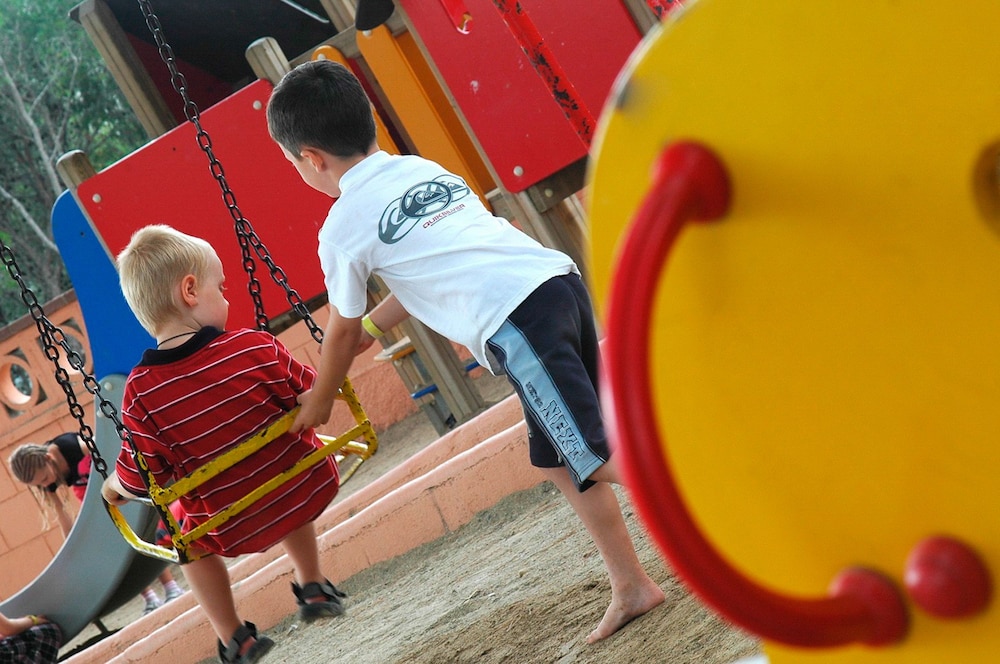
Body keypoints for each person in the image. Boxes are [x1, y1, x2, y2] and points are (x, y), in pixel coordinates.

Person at [265, 59, 666, 644]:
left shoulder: (341, 226)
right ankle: (631, 585)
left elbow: (342, 331)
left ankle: (709, 496)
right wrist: (368, 331)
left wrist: (321, 398)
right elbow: (425, 271)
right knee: (562, 459)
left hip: (517, 320)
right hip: (556, 285)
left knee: (592, 451)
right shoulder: (418, 169)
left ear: (310, 158)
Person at [99, 225, 346, 664]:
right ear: (190, 290)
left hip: (229, 528)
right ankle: (312, 585)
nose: (228, 299)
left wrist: (112, 487)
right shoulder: (254, 346)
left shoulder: (141, 394)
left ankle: (235, 638)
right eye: (222, 288)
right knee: (284, 461)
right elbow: (315, 394)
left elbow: (143, 478)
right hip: (304, 488)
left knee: (183, 538)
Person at [8, 437, 185, 615]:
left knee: (141, 532)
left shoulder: (70, 447)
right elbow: (61, 513)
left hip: (109, 482)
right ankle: (149, 597)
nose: (45, 484)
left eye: (45, 479)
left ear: (48, 458)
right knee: (118, 548)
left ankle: (171, 587)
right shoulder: (43, 476)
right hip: (91, 498)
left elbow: (106, 448)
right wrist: (72, 545)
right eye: (39, 484)